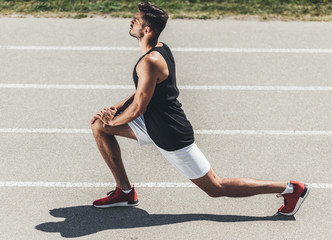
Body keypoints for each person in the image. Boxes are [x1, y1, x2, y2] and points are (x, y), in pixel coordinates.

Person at [90, 2, 309, 216]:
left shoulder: (151, 61)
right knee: (99, 126)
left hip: (170, 133)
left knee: (216, 187)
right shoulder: (159, 48)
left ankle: (291, 189)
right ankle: (125, 192)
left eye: (136, 20)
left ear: (146, 29)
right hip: (152, 123)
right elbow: (143, 91)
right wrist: (116, 108)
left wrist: (114, 120)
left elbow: (139, 106)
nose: (131, 21)